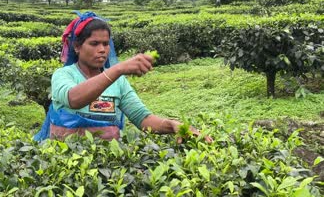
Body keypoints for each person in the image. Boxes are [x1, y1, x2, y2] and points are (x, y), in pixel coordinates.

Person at [34, 11, 212, 143]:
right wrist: (117, 69)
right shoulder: (64, 75)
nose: (102, 49)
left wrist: (172, 125)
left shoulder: (118, 82)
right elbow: (74, 99)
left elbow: (143, 118)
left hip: (107, 164)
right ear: (77, 47)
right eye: (94, 44)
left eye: (105, 44)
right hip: (67, 162)